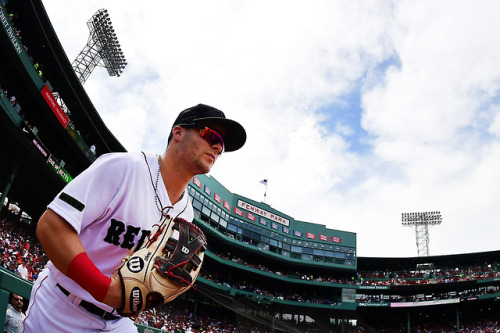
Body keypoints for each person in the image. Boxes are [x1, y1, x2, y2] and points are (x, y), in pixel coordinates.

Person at [23, 104, 246, 332]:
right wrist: (104, 290)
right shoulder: (125, 168)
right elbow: (51, 226)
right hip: (63, 306)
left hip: (118, 322)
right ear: (178, 133)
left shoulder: (186, 212)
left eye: (222, 145)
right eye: (211, 135)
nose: (218, 147)